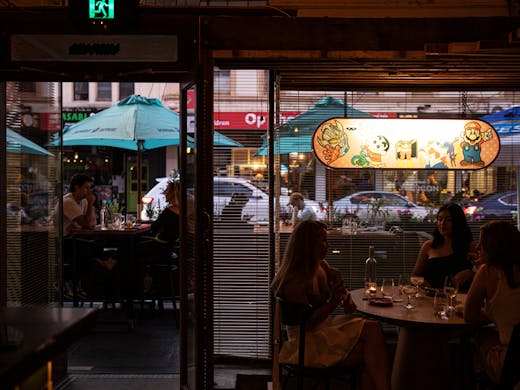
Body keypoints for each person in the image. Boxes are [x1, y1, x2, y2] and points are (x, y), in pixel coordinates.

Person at [271, 220, 391, 390]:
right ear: (308, 245)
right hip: (305, 344)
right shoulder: (293, 280)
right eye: (323, 241)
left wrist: (344, 295)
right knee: (370, 352)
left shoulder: (321, 267)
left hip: (322, 330)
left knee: (373, 329)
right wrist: (334, 301)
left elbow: (349, 309)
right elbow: (309, 324)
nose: (327, 245)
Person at [464, 221, 520, 384]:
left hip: (511, 364)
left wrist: (489, 314)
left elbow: (470, 316)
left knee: (480, 336)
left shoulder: (488, 272)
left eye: (483, 243)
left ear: (495, 246)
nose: (477, 247)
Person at [413, 202, 477, 291]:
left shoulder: (470, 246)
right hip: (429, 298)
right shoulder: (429, 246)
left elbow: (488, 274)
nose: (442, 223)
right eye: (440, 219)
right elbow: (414, 276)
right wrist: (422, 283)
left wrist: (471, 274)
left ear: (458, 222)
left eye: (448, 220)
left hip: (457, 300)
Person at [138, 179, 180, 294]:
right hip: (167, 249)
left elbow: (154, 228)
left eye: (166, 191)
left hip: (159, 249)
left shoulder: (169, 211)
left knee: (130, 249)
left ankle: (139, 285)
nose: (164, 194)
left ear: (172, 194)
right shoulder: (181, 212)